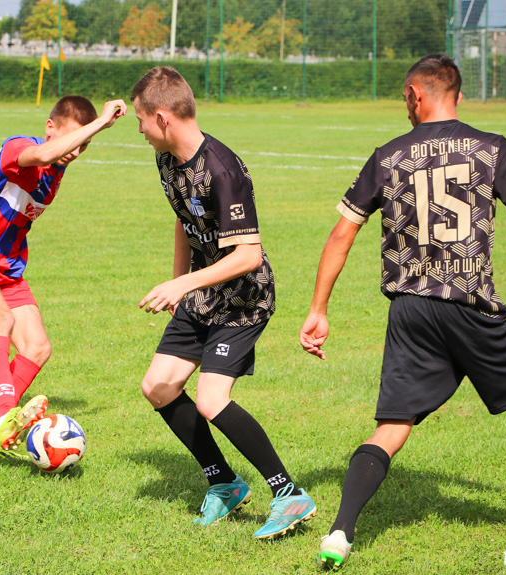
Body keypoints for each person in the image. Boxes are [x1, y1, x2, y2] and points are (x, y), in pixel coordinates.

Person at [300, 54, 506, 570]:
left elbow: (342, 233)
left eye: (403, 98)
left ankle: (341, 533)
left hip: (410, 310)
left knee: (392, 426)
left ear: (417, 94)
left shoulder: (387, 155)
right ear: (456, 95)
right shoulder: (492, 148)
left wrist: (319, 308)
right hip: (471, 306)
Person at [132, 66, 316, 540]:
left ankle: (289, 493)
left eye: (141, 120)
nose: (139, 130)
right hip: (201, 293)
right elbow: (183, 219)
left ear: (163, 117)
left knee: (213, 399)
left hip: (244, 299)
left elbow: (248, 254)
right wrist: (180, 284)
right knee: (158, 386)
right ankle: (225, 483)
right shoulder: (168, 158)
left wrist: (183, 284)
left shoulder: (223, 169)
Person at [0, 95, 127, 459]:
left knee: (38, 347)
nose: (75, 151)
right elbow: (40, 156)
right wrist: (100, 122)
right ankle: (6, 414)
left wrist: (85, 137)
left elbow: (53, 159)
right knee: (2, 319)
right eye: (71, 140)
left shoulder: (58, 166)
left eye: (83, 146)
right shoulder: (20, 148)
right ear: (50, 129)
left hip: (7, 268)